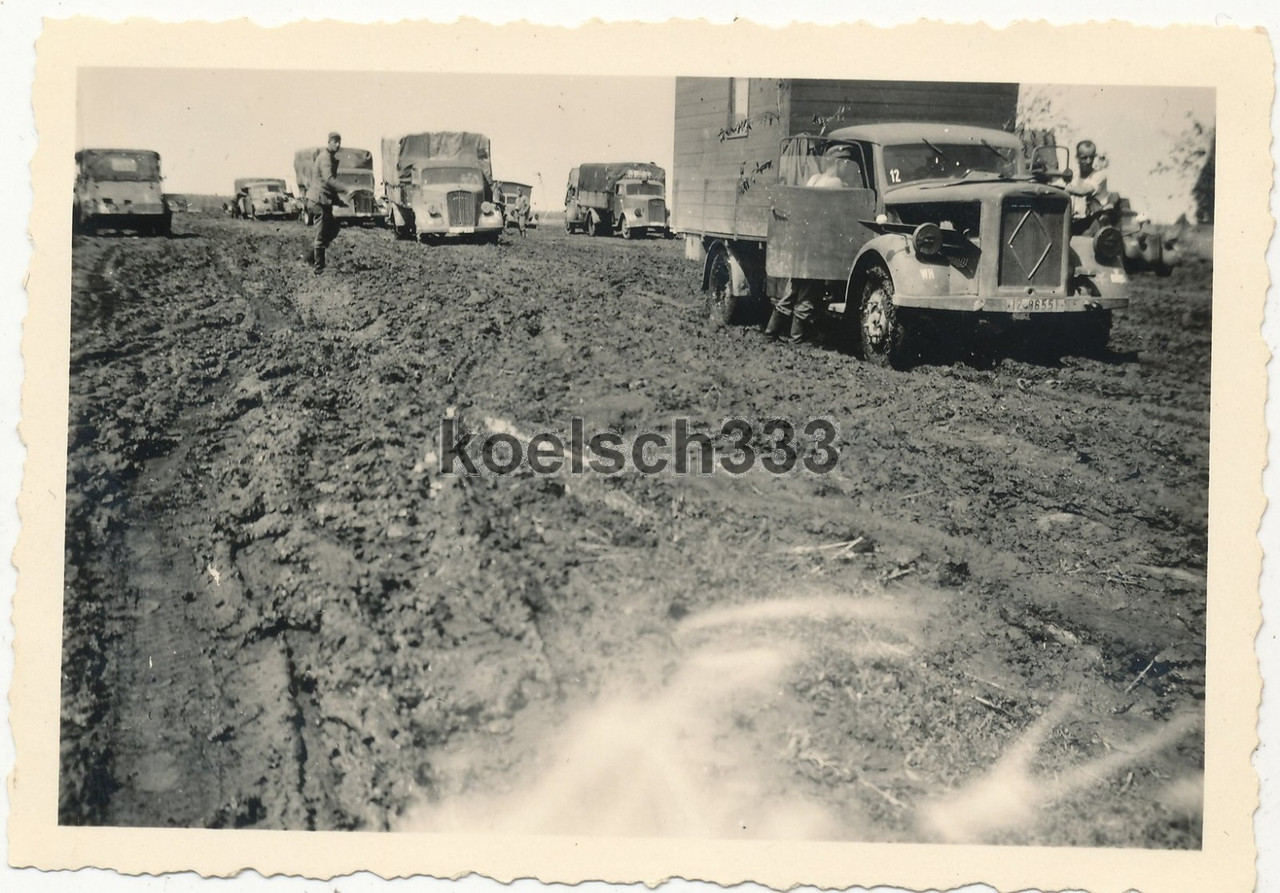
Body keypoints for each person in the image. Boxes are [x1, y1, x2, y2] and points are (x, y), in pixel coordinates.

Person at [764, 143, 863, 343]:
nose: (848, 168)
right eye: (846, 163)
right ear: (840, 162)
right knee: (809, 294)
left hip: (802, 246)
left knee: (792, 290)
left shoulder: (813, 179)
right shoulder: (835, 184)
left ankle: (770, 332)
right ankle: (796, 339)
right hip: (818, 248)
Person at [302, 132, 343, 274]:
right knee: (321, 234)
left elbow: (328, 186)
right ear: (329, 142)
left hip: (321, 200)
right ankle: (319, 268)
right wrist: (344, 188)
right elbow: (328, 179)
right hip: (318, 201)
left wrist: (339, 200)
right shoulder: (325, 158)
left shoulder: (328, 157)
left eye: (339, 142)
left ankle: (311, 257)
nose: (337, 145)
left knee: (332, 229)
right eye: (334, 142)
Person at [1065, 139, 1112, 233]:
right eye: (1084, 158)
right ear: (1077, 158)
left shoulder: (1099, 176)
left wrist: (1064, 189)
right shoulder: (1073, 176)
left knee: (1083, 245)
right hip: (1073, 222)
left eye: (1091, 157)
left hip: (1093, 223)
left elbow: (1084, 190)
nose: (1088, 161)